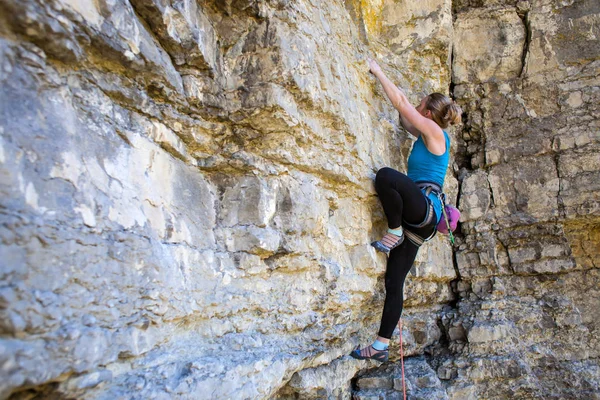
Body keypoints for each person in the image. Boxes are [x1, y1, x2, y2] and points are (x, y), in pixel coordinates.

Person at [350, 59, 462, 362]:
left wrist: (377, 69)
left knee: (386, 176)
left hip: (423, 209)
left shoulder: (435, 131)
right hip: (422, 222)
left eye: (420, 104)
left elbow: (401, 103)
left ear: (427, 113)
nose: (416, 105)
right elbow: (404, 117)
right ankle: (380, 345)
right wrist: (405, 107)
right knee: (393, 282)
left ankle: (394, 230)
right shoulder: (428, 132)